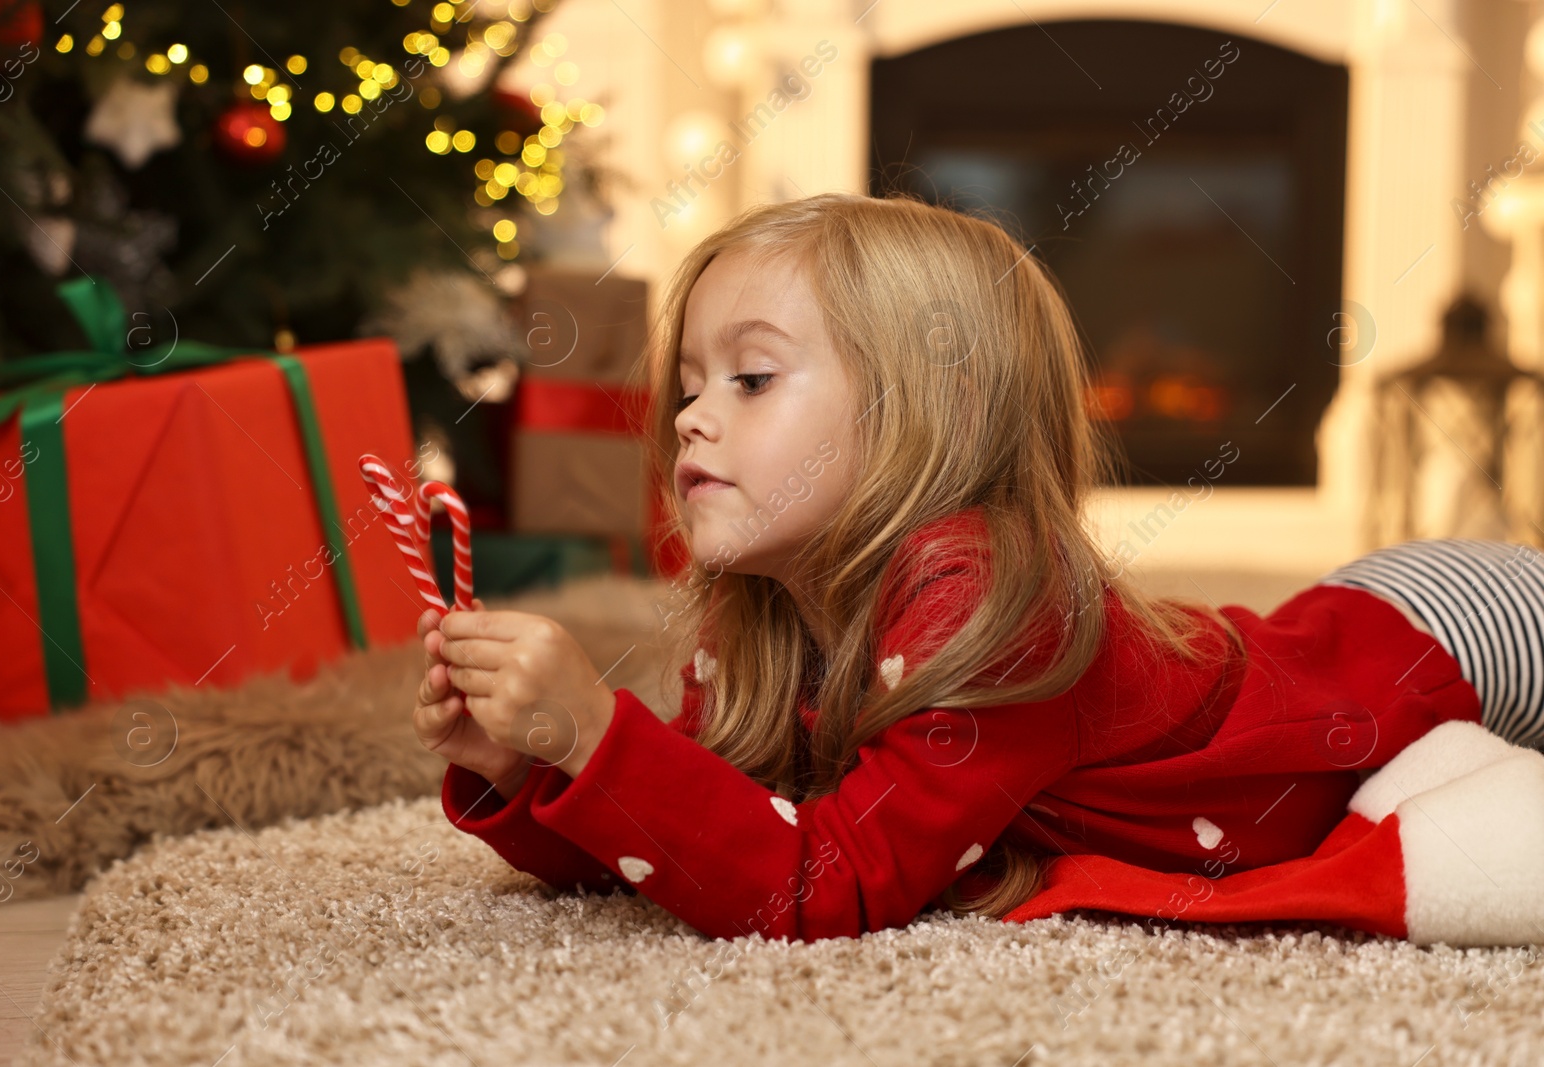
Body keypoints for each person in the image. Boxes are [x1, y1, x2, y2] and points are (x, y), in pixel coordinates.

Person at [411, 191, 1544, 944]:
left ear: (932, 411)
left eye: (751, 379)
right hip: (1331, 622)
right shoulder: (755, 611)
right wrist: (528, 763)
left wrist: (595, 732)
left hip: (1433, 637)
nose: (692, 417)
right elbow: (704, 837)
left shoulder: (993, 597)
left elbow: (822, 883)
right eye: (692, 382)